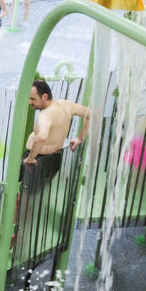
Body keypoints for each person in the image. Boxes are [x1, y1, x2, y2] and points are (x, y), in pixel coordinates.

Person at [21, 79, 93, 224]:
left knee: (25, 197)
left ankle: (18, 233)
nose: (30, 102)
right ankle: (21, 228)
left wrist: (30, 158)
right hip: (53, 159)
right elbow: (90, 114)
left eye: (32, 99)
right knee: (31, 196)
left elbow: (41, 137)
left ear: (45, 97)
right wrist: (79, 138)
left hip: (38, 160)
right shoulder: (66, 105)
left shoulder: (46, 114)